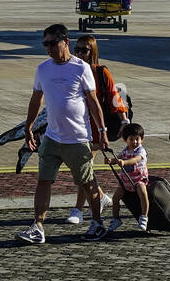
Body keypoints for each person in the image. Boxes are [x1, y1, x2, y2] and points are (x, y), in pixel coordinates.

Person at [16, 24, 111, 244]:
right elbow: (36, 99)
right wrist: (28, 127)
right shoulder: (43, 69)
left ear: (65, 42)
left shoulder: (81, 68)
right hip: (52, 137)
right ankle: (38, 226)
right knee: (43, 181)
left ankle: (97, 223)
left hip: (78, 138)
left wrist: (102, 131)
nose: (48, 48)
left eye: (52, 43)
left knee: (87, 183)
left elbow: (93, 102)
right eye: (45, 44)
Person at [65, 34, 129, 225]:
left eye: (84, 50)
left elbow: (114, 96)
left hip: (95, 129)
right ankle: (100, 197)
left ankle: (78, 210)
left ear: (92, 52)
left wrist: (124, 121)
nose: (79, 53)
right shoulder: (72, 70)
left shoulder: (100, 72)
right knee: (82, 168)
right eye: (76, 49)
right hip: (76, 127)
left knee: (83, 167)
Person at [106, 123, 148, 232]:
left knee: (143, 194)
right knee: (115, 198)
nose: (134, 142)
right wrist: (111, 161)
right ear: (125, 140)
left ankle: (144, 217)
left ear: (141, 139)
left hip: (139, 179)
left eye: (137, 139)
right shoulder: (124, 150)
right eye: (131, 139)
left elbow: (136, 159)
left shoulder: (140, 150)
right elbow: (118, 158)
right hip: (125, 180)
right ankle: (116, 219)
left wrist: (124, 162)